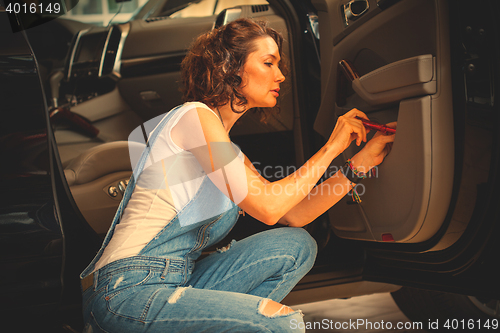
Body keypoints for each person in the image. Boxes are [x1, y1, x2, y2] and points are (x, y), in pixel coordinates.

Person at [80, 18, 396, 333]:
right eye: (268, 62)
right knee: (282, 323)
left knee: (295, 245)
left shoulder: (230, 151)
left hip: (181, 277)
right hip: (127, 288)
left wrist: (358, 165)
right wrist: (331, 146)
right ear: (228, 68)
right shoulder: (194, 117)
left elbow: (293, 213)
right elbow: (268, 209)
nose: (281, 75)